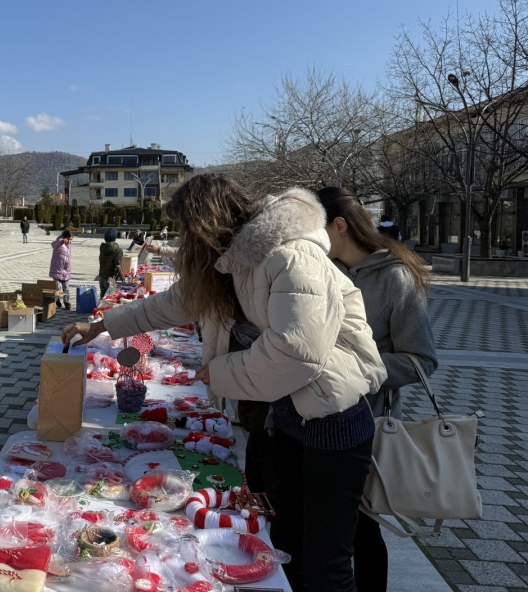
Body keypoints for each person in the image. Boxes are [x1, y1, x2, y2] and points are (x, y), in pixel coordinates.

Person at [64, 175, 386, 592]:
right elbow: (174, 303)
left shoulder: (294, 254)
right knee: (287, 541)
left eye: (185, 229)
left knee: (327, 561)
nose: (182, 239)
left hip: (334, 421)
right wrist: (102, 325)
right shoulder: (233, 259)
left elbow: (297, 352)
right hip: (288, 419)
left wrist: (220, 373)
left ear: (205, 224)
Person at [317, 187, 438, 592]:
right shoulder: (323, 270)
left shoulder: (395, 277)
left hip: (368, 424)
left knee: (361, 533)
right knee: (326, 534)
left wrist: (350, 367)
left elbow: (422, 360)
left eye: (316, 230)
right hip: (316, 422)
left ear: (340, 225)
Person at [49, 229, 73, 310]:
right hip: (57, 269)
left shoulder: (69, 245)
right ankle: (57, 300)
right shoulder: (58, 243)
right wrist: (61, 240)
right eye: (69, 239)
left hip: (66, 270)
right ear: (64, 237)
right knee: (58, 287)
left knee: (66, 287)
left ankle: (66, 302)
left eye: (71, 240)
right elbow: (53, 244)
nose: (70, 241)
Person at [98, 227, 124, 297]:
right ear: (115, 237)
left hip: (102, 277)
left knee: (103, 298)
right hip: (111, 279)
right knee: (111, 299)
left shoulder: (102, 248)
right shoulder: (118, 250)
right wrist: (123, 278)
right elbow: (118, 265)